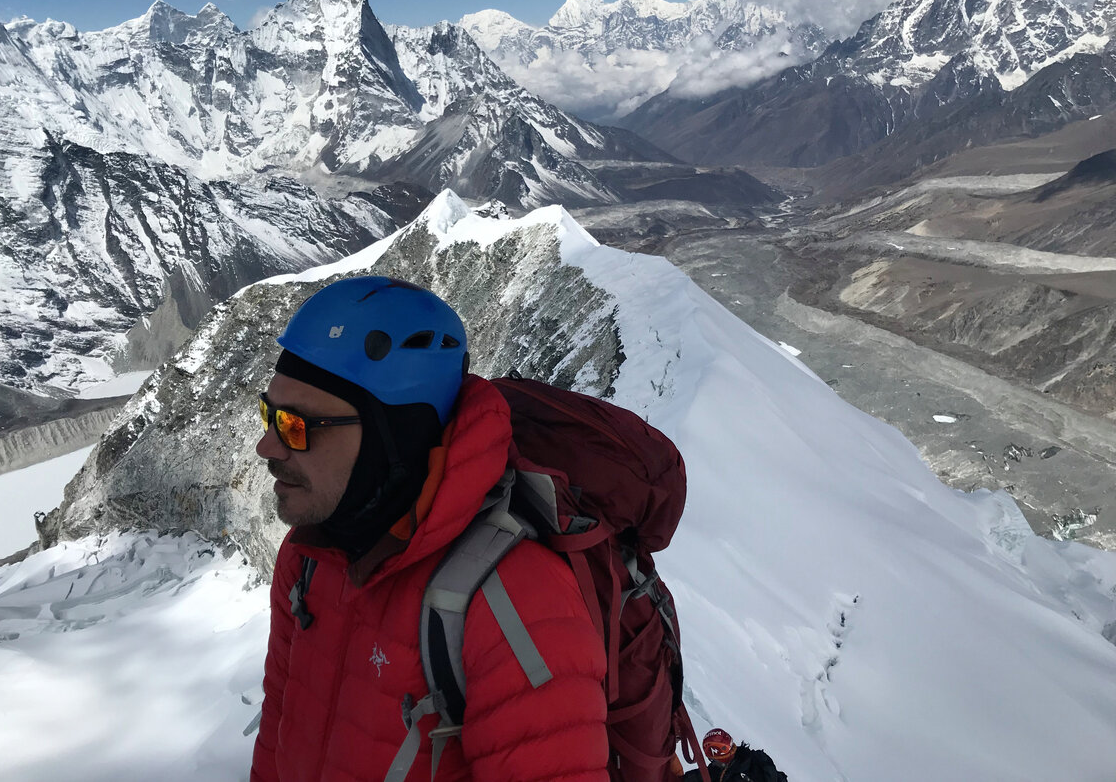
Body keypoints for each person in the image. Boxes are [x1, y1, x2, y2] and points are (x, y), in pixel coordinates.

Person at [250, 276, 610, 782]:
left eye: (296, 426)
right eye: (269, 413)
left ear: (390, 439)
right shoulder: (309, 559)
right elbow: (278, 737)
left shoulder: (517, 604)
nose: (267, 447)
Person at [681, 729, 789, 782]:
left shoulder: (740, 772)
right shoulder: (747, 760)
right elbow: (703, 775)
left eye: (713, 760)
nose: (713, 763)